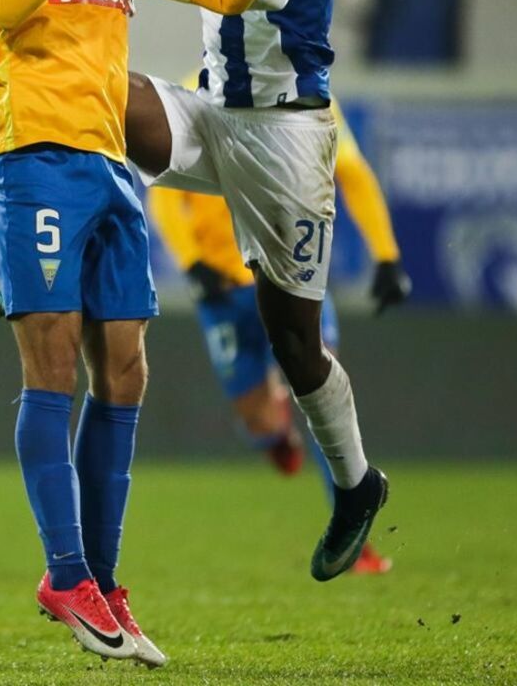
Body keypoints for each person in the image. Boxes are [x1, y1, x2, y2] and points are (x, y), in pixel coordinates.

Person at [0, 0, 337, 666]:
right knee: (53, 366)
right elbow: (5, 8)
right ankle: (65, 576)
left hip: (111, 169)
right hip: (33, 160)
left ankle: (102, 578)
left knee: (125, 373)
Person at [124, 0, 390, 584]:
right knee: (95, 96)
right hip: (212, 112)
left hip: (285, 135)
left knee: (296, 345)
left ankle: (356, 485)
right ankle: (52, 262)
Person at [147, 98, 410, 574]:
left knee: (319, 383)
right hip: (224, 286)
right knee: (257, 416)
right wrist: (191, 261)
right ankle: (274, 432)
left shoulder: (313, 98)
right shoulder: (199, 92)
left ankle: (353, 530)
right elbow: (165, 191)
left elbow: (352, 173)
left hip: (291, 271)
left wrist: (386, 254)